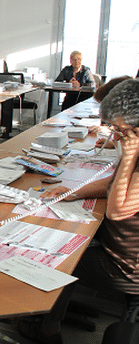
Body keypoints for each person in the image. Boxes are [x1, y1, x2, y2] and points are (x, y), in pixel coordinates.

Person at [18, 78, 139, 344]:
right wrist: (73, 193)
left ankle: (48, 329)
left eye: (119, 130)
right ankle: (49, 306)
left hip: (128, 266)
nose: (115, 136)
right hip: (116, 246)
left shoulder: (136, 154)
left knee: (62, 257)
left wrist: (129, 157)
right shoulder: (134, 145)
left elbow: (117, 211)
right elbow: (113, 182)